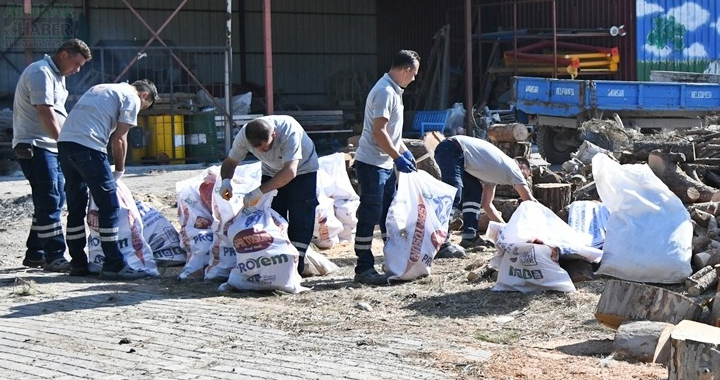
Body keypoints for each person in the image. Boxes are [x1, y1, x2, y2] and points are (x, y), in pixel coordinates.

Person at [57, 80, 158, 279]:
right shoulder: (132, 97)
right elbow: (119, 138)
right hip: (89, 147)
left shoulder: (102, 87)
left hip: (65, 144)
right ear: (144, 95)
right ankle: (114, 264)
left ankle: (77, 264)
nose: (140, 111)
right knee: (109, 206)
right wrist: (120, 169)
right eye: (144, 108)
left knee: (76, 207)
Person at [12, 38, 91, 271]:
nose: (77, 70)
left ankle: (35, 253)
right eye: (76, 64)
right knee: (49, 199)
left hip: (49, 146)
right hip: (35, 145)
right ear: (64, 54)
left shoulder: (57, 76)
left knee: (53, 199)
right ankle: (54, 255)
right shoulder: (40, 72)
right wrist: (64, 143)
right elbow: (46, 112)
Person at [218, 115, 319, 275]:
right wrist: (226, 182)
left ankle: (296, 265)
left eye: (265, 147)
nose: (262, 152)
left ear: (274, 135)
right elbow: (230, 162)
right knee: (273, 216)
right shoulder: (244, 136)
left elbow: (289, 172)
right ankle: (276, 257)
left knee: (301, 215)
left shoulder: (288, 130)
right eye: (257, 149)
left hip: (302, 170)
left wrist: (259, 191)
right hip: (271, 171)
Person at [352, 50, 420, 285]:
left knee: (388, 214)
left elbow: (392, 133)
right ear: (406, 70)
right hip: (372, 164)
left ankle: (392, 260)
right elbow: (379, 131)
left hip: (384, 164)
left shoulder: (393, 91)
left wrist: (403, 152)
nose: (414, 80)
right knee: (370, 214)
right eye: (414, 75)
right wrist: (396, 156)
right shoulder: (384, 92)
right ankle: (363, 266)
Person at [434, 135, 536, 251]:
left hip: (457, 153)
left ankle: (469, 237)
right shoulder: (514, 169)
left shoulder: (496, 173)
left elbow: (487, 205)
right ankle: (441, 242)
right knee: (454, 193)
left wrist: (507, 230)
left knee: (474, 190)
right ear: (523, 166)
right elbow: (529, 201)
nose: (525, 180)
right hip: (452, 148)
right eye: (527, 176)